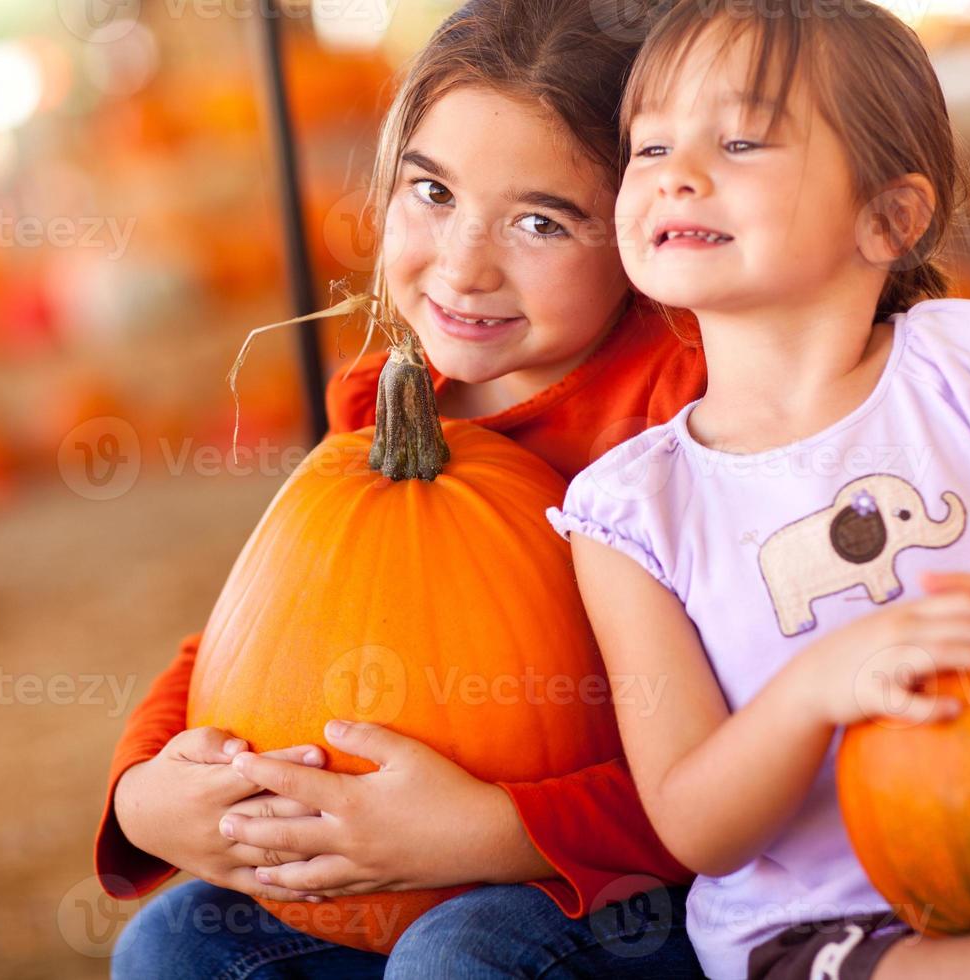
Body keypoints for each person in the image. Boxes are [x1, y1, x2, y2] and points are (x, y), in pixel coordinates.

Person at [548, 3, 970, 978]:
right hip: (828, 927)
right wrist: (815, 690)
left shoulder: (969, 369)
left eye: (741, 138)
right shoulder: (633, 508)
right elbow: (694, 823)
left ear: (890, 216)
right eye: (650, 143)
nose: (676, 169)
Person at [104, 0, 712, 975]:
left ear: (643, 229)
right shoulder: (388, 405)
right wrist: (145, 789)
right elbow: (256, 626)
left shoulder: (680, 414)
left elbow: (742, 756)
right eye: (432, 193)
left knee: (452, 956)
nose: (464, 265)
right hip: (391, 878)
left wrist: (488, 830)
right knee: (175, 944)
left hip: (633, 891)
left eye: (539, 220)